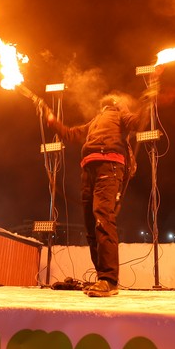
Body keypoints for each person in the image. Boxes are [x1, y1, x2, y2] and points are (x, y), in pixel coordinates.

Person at [44, 80, 158, 297]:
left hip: (109, 166)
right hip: (89, 170)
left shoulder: (120, 114)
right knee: (90, 225)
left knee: (102, 218)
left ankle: (109, 279)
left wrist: (147, 98)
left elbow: (137, 122)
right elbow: (70, 134)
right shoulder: (95, 121)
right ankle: (101, 278)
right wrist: (52, 121)